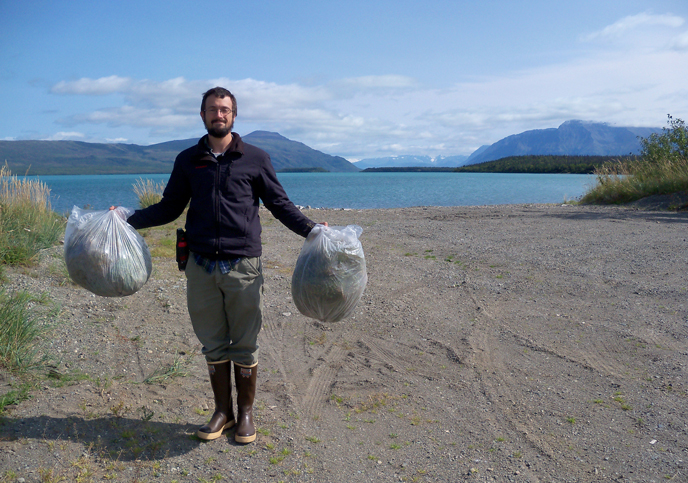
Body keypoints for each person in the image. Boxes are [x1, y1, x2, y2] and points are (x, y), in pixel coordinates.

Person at [115, 87, 326, 443]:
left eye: (225, 109)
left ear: (234, 115)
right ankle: (222, 412)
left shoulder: (255, 158)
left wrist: (313, 230)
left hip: (243, 264)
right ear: (202, 115)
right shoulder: (188, 160)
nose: (219, 115)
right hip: (199, 265)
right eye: (213, 109)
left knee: (244, 343)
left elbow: (278, 203)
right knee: (213, 343)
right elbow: (168, 207)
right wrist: (126, 218)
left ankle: (245, 414)